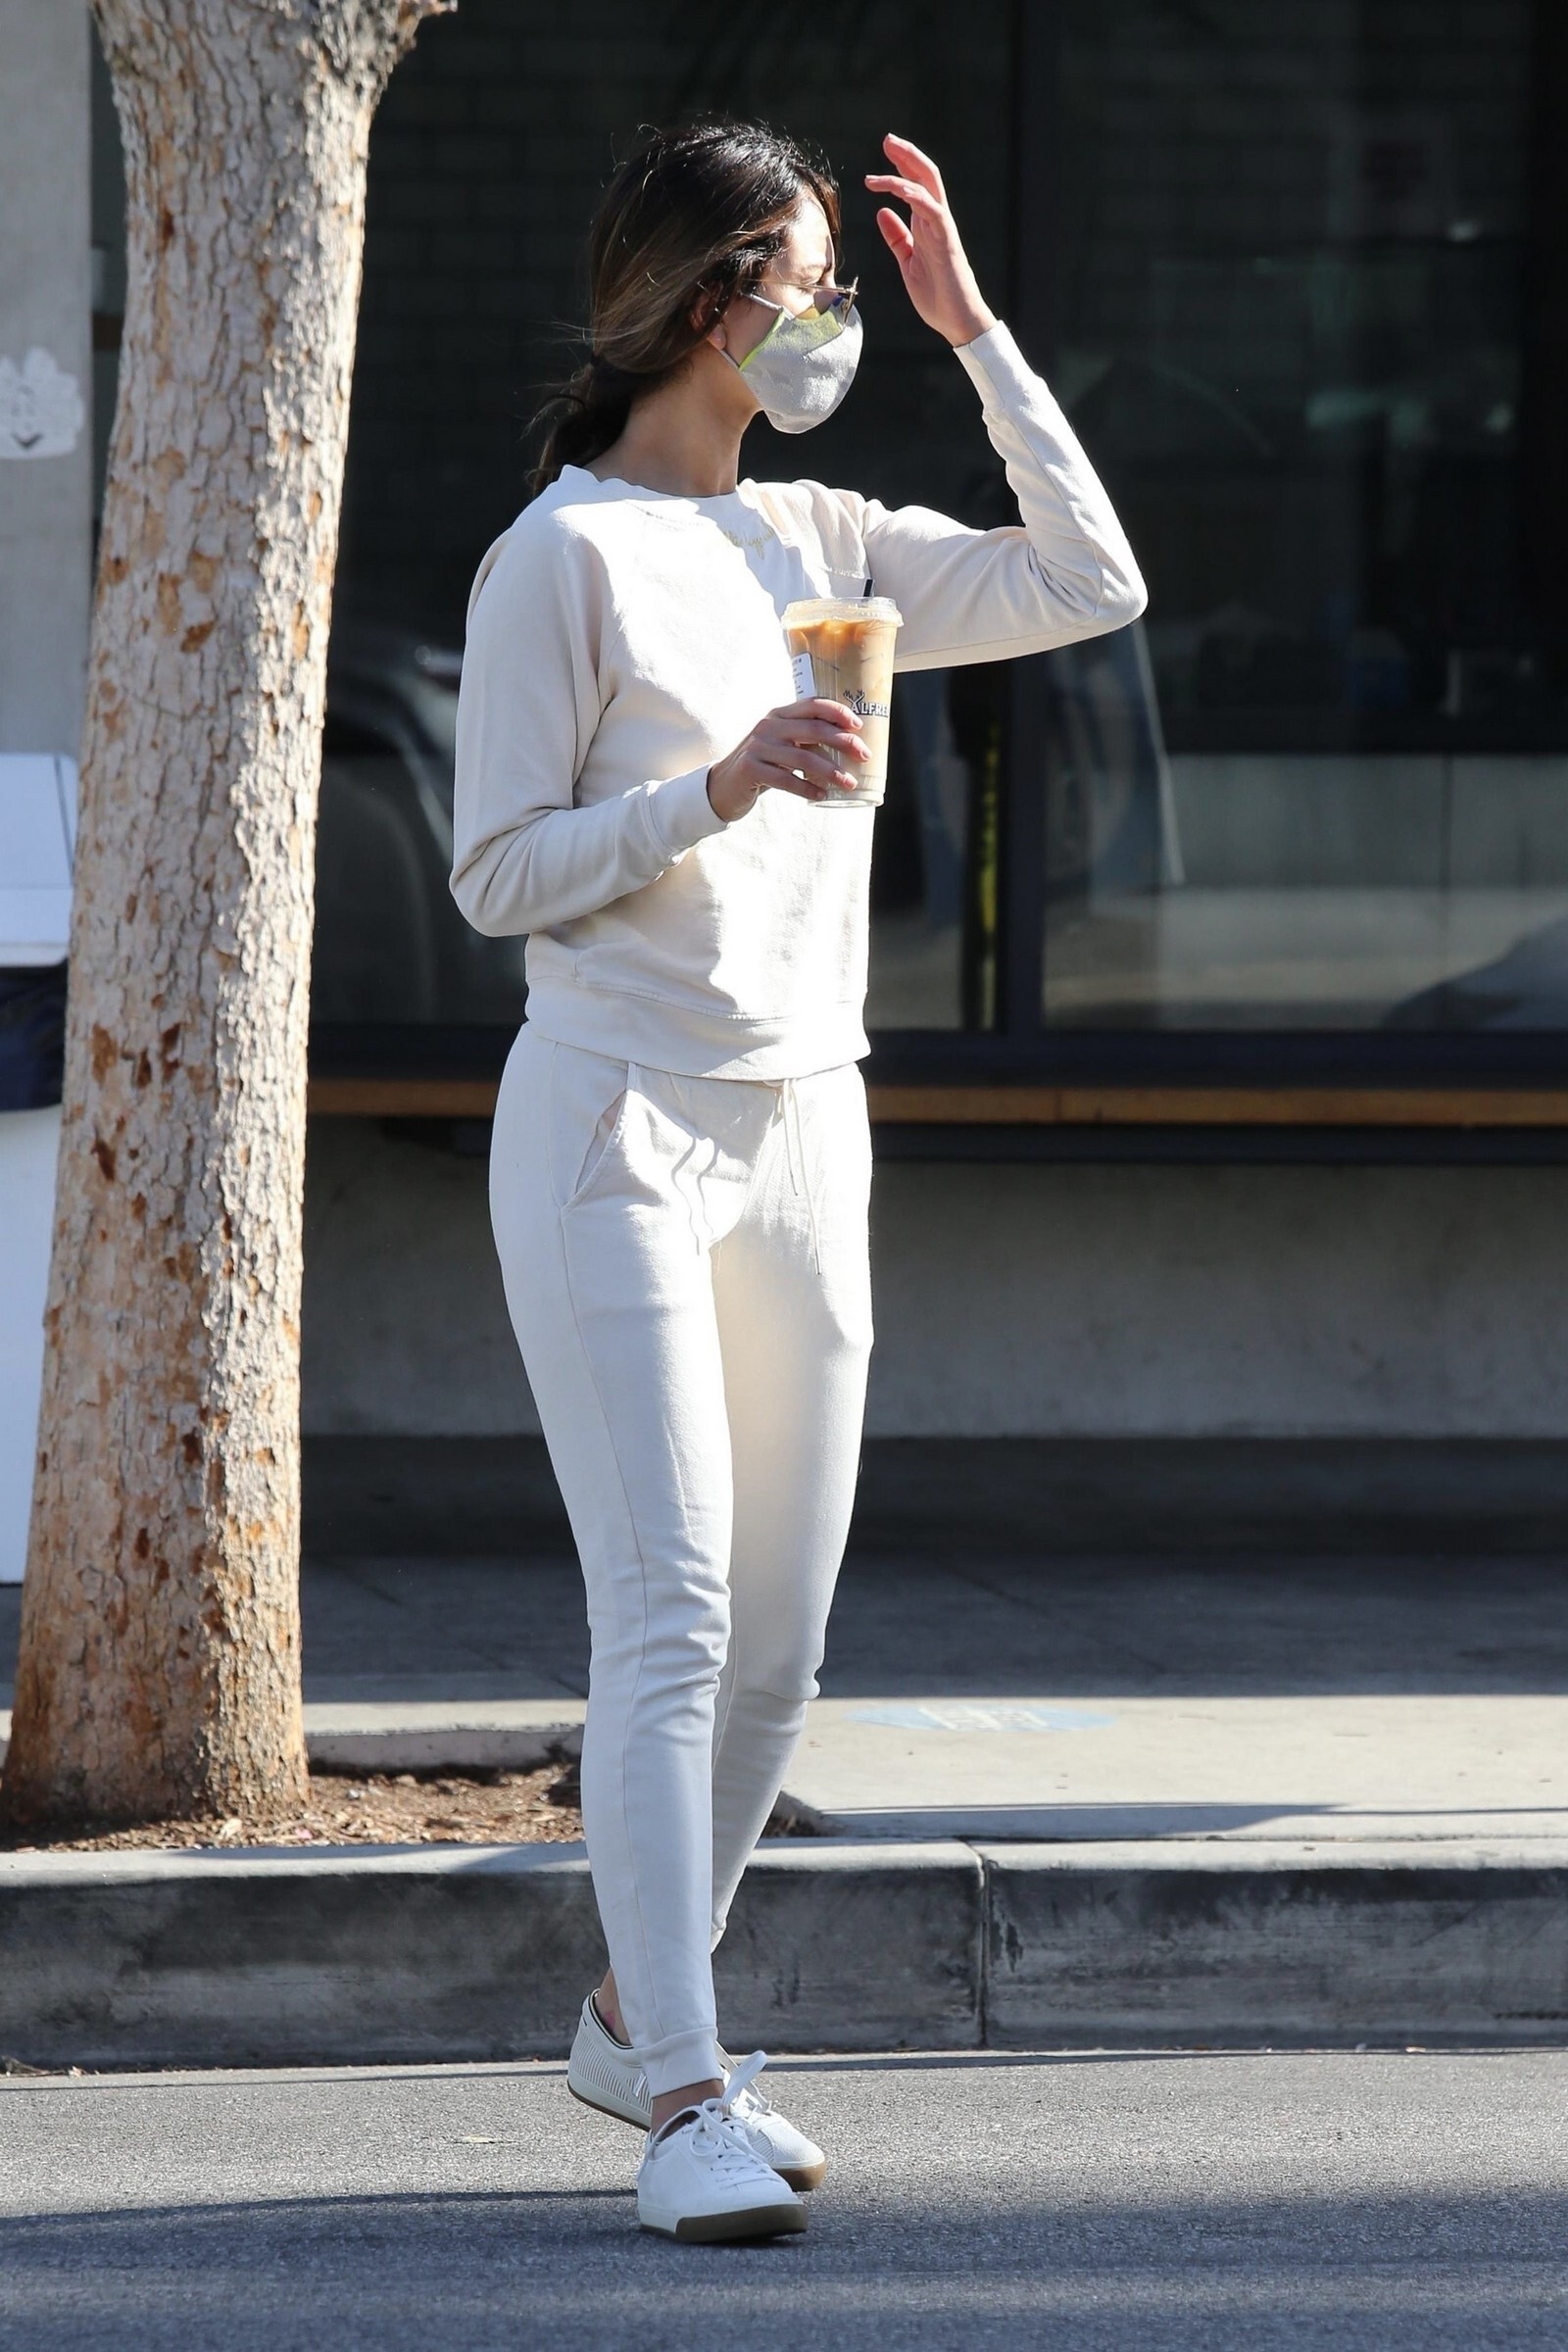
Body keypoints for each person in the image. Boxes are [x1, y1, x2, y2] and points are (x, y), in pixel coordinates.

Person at [451, 120, 1145, 2243]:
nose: (836, 313)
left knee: (778, 1651)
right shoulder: (559, 558)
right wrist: (717, 785)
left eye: (849, 279)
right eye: (813, 279)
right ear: (705, 303)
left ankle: (623, 2016)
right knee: (665, 1616)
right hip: (615, 1124)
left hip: (804, 1124)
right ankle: (685, 2095)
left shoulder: (824, 536)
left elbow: (1089, 583)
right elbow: (497, 875)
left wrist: (974, 337)